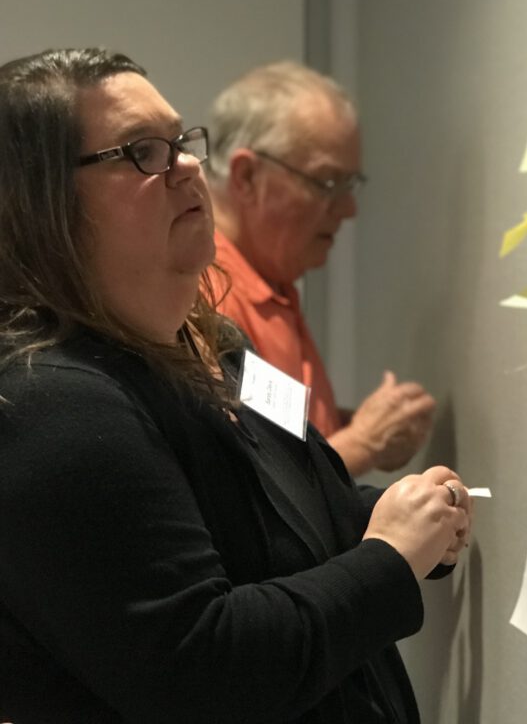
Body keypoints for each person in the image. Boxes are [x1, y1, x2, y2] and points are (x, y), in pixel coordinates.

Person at [0, 48, 472, 723]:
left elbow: (306, 499)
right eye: (142, 151)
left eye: (182, 140)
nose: (189, 165)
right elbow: (206, 671)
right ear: (40, 199)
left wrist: (402, 515)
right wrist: (391, 557)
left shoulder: (219, 347)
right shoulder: (49, 404)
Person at [205, 62, 434, 477]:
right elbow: (254, 493)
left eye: (350, 186)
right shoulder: (205, 295)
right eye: (327, 184)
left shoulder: (267, 278)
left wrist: (363, 430)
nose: (348, 210)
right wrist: (363, 442)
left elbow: (279, 434)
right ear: (247, 176)